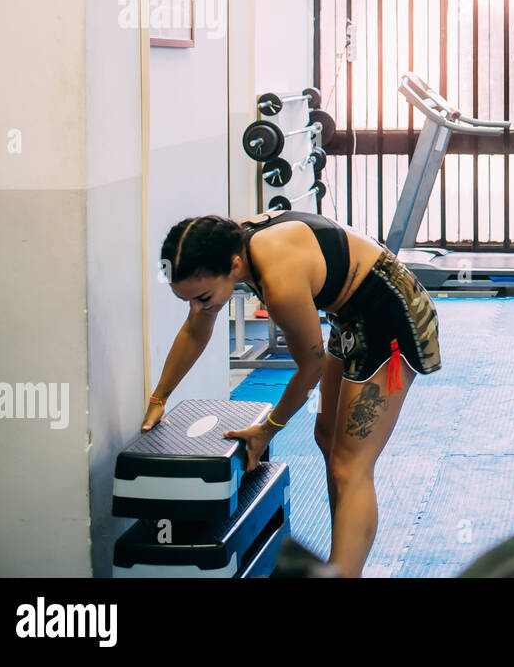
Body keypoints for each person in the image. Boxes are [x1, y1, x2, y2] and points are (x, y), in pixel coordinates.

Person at [142, 210, 441, 577]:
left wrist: (268, 428)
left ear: (234, 266)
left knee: (351, 466)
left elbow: (309, 370)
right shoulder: (230, 246)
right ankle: (343, 562)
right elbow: (195, 329)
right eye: (188, 300)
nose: (199, 308)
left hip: (391, 315)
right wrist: (159, 398)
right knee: (327, 437)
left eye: (202, 297)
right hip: (350, 314)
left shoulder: (279, 280)